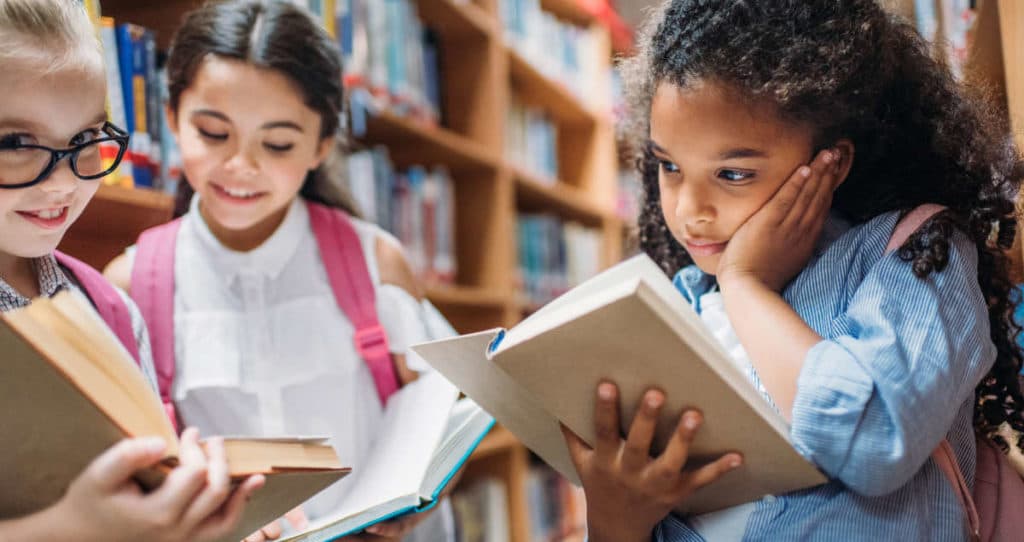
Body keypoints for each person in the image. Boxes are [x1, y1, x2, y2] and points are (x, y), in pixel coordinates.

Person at [562, 1, 1024, 540]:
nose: (690, 210)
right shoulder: (681, 304)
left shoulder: (916, 252)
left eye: (733, 173)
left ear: (833, 162)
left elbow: (877, 439)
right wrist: (615, 521)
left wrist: (746, 285)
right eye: (670, 166)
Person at [104, 1, 457, 540]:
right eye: (214, 132)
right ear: (172, 118)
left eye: (278, 144)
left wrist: (421, 501)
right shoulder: (131, 284)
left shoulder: (375, 263)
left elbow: (441, 419)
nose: (242, 165)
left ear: (319, 145)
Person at [0, 1, 262, 540]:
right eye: (16, 144)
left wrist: (200, 511)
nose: (63, 183)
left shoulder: (111, 310)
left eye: (84, 141)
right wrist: (67, 528)